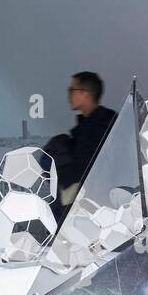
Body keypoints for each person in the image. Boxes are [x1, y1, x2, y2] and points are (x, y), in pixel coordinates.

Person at [44, 72, 117, 217]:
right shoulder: (92, 125)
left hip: (92, 207)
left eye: (72, 90)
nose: (69, 95)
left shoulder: (97, 127)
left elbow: (84, 169)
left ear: (85, 94)